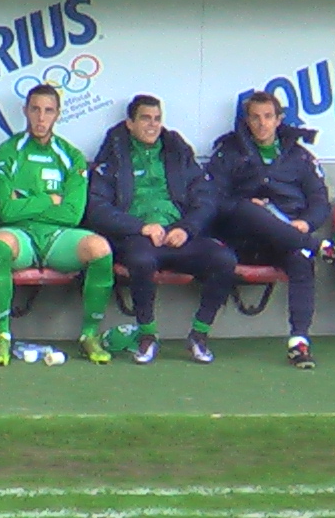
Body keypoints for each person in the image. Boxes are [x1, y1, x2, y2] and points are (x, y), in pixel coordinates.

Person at [86, 95, 237, 364]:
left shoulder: (177, 152)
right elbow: (97, 208)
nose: (152, 125)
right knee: (141, 261)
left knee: (224, 260)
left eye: (157, 119)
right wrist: (140, 227)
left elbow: (205, 198)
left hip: (177, 234)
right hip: (136, 236)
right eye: (145, 118)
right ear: (130, 123)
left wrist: (187, 228)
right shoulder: (113, 155)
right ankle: (147, 335)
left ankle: (199, 334)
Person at [0, 84, 116, 365]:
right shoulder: (5, 154)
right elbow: (5, 211)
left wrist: (25, 201)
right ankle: (2, 335)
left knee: (100, 248)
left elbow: (73, 214)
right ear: (25, 111)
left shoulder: (71, 156)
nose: (41, 118)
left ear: (58, 114)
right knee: (0, 243)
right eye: (35, 109)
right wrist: (49, 199)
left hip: (59, 237)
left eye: (48, 111)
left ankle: (89, 335)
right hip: (20, 235)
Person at [206, 91, 330, 369]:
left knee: (300, 259)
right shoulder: (228, 152)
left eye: (268, 117)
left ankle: (299, 342)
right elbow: (211, 199)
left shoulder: (300, 157)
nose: (262, 124)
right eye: (255, 118)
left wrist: (306, 224)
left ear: (278, 120)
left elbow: (320, 200)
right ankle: (319, 247)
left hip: (286, 238)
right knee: (249, 209)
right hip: (243, 240)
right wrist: (242, 206)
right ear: (246, 121)